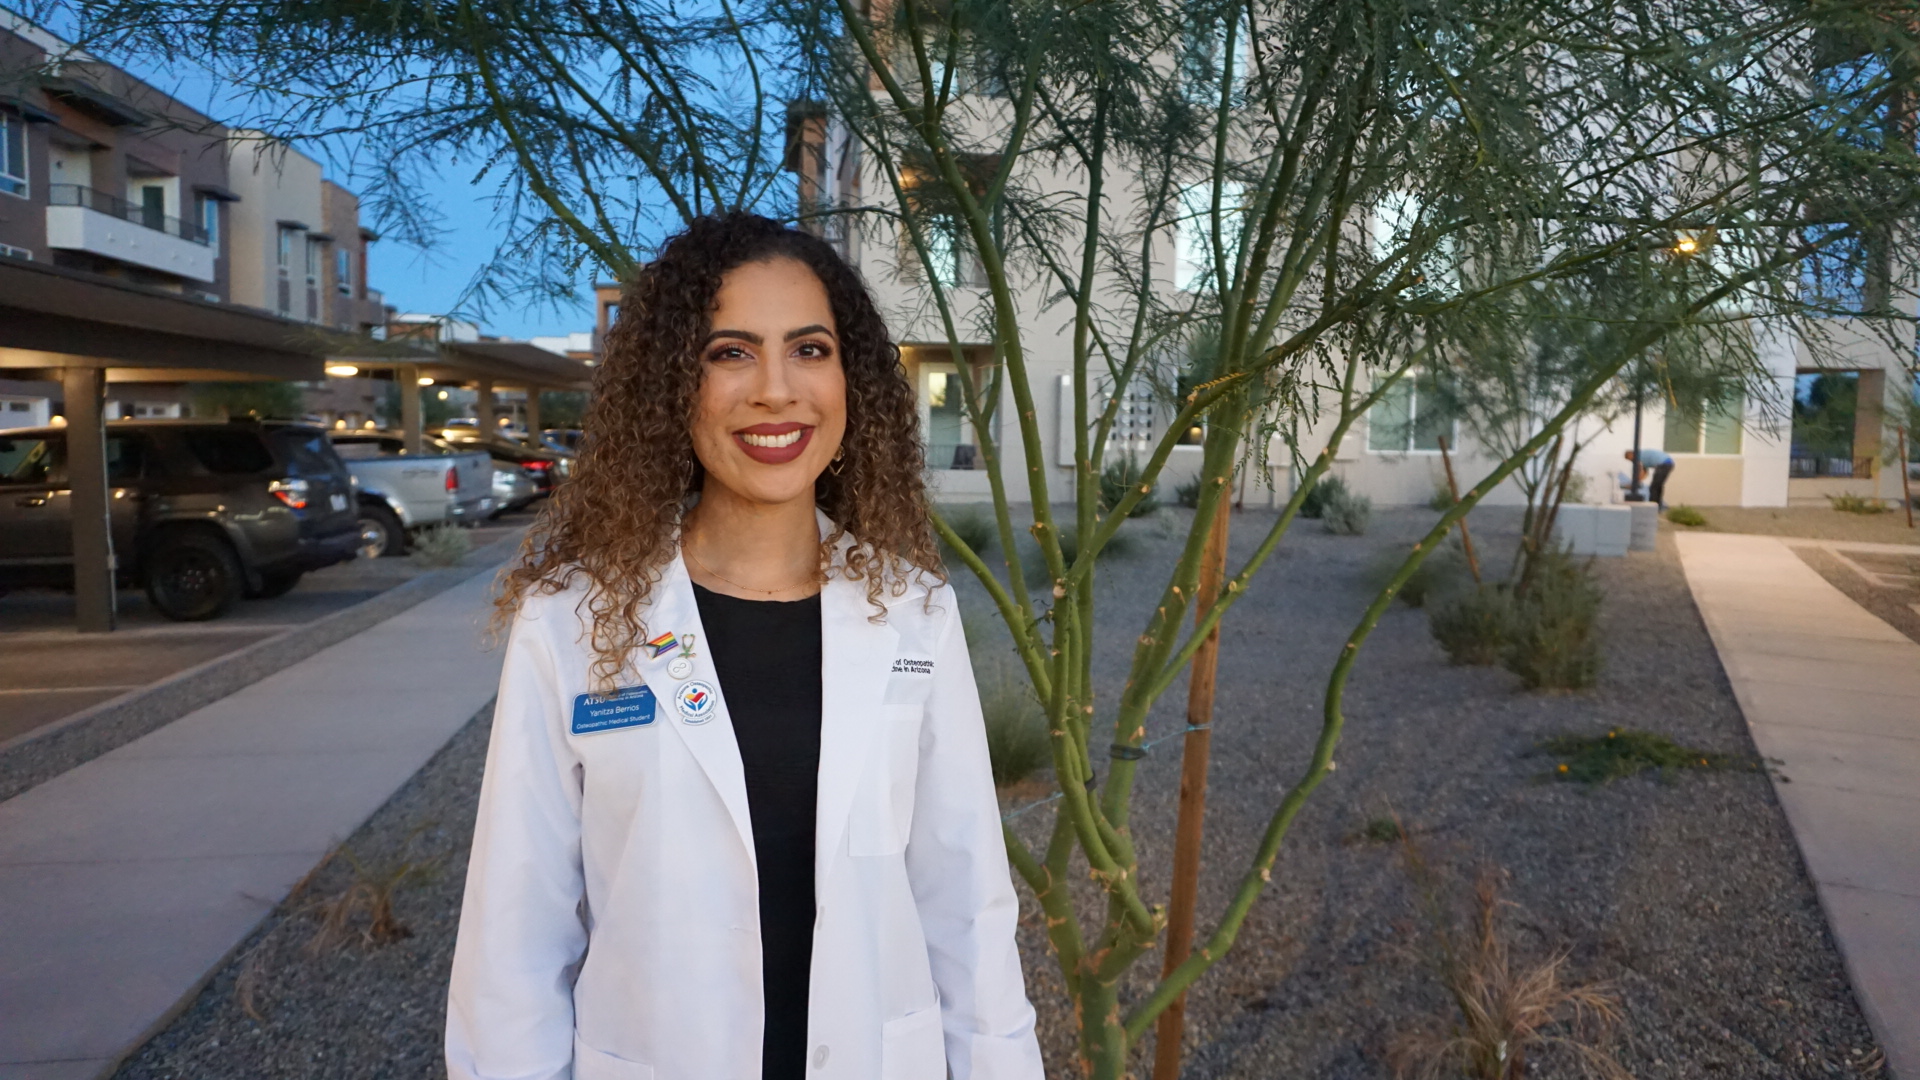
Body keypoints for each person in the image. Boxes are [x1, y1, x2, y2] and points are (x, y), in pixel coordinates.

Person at [447, 213, 1043, 1080]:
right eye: (730, 352)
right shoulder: (573, 621)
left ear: (853, 380)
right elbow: (515, 938)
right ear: (671, 386)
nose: (775, 389)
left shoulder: (913, 612)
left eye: (809, 349)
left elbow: (966, 905)